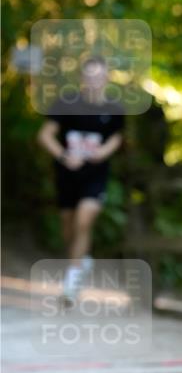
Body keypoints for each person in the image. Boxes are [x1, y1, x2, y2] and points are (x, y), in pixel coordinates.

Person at [36, 55, 125, 302]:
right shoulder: (66, 103)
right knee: (69, 227)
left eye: (99, 76)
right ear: (82, 78)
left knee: (84, 220)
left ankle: (70, 285)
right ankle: (81, 260)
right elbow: (45, 135)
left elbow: (117, 137)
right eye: (90, 76)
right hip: (67, 175)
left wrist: (103, 152)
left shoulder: (114, 109)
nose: (94, 81)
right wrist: (64, 155)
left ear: (107, 78)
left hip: (95, 176)